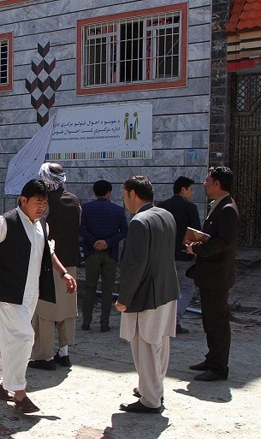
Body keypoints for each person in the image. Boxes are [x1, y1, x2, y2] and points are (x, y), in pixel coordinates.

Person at [0, 179, 76, 413]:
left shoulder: (42, 225)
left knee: (7, 341)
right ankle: (19, 392)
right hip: (7, 294)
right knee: (23, 338)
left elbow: (48, 251)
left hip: (30, 294)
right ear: (23, 200)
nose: (41, 207)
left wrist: (63, 273)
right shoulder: (5, 222)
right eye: (37, 202)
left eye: (44, 203)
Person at [114, 176, 179, 414]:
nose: (124, 200)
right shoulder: (166, 215)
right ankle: (153, 387)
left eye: (124, 194)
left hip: (146, 294)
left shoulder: (139, 222)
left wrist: (124, 298)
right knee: (160, 343)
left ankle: (150, 398)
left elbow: (135, 265)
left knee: (146, 346)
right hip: (167, 289)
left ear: (132, 193)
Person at [186, 166, 239, 382]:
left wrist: (197, 248)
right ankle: (212, 359)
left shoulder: (227, 209)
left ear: (217, 183)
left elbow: (223, 242)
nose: (204, 184)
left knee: (217, 323)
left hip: (217, 276)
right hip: (210, 276)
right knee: (210, 321)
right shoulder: (219, 206)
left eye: (207, 180)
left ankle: (218, 368)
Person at [30, 163, 81, 370]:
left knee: (45, 311)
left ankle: (45, 356)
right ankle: (64, 353)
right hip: (70, 262)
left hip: (49, 262)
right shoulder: (73, 200)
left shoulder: (43, 202)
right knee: (66, 310)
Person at [79, 180, 128, 332]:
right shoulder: (118, 210)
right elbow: (124, 231)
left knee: (90, 287)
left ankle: (86, 322)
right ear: (109, 193)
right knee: (108, 289)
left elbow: (81, 229)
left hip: (91, 252)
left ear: (95, 192)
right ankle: (104, 323)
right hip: (110, 253)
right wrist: (107, 242)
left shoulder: (86, 208)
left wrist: (94, 242)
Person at [158, 176, 201, 335]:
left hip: (164, 254)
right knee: (186, 287)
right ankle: (174, 321)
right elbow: (195, 232)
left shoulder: (162, 206)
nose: (191, 193)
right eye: (190, 189)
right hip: (184, 255)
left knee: (165, 288)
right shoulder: (190, 208)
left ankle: (161, 320)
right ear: (183, 189)